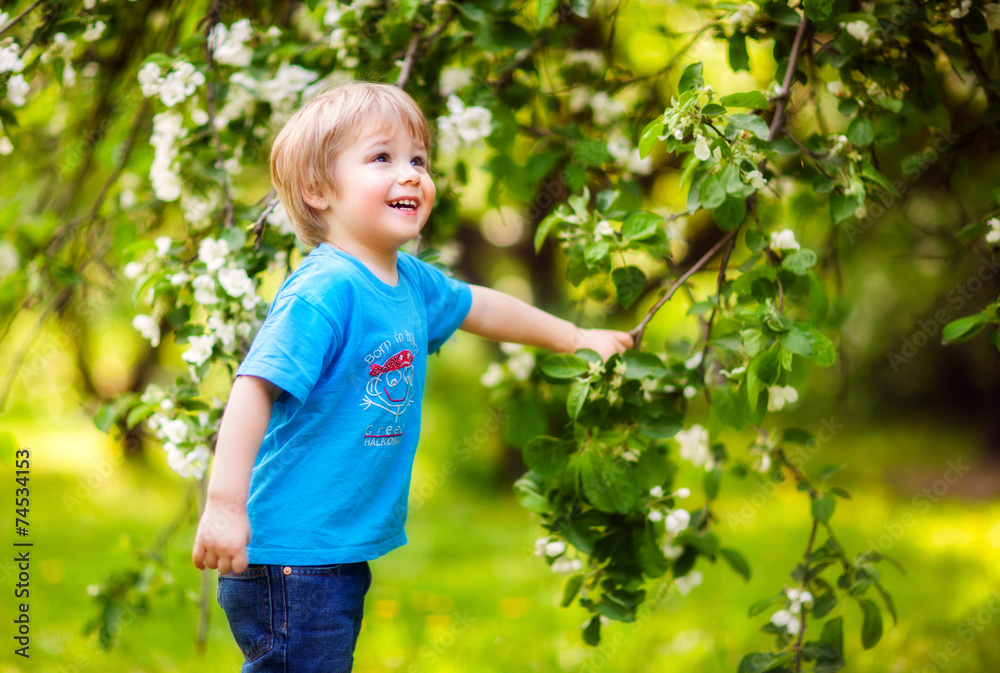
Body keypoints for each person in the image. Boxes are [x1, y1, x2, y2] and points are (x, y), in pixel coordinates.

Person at [191, 80, 633, 672]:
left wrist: (575, 338)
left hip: (332, 553)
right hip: (290, 554)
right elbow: (254, 388)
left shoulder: (411, 281)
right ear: (318, 190)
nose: (411, 174)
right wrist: (224, 506)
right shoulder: (326, 290)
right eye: (381, 157)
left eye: (418, 159)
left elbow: (482, 306)